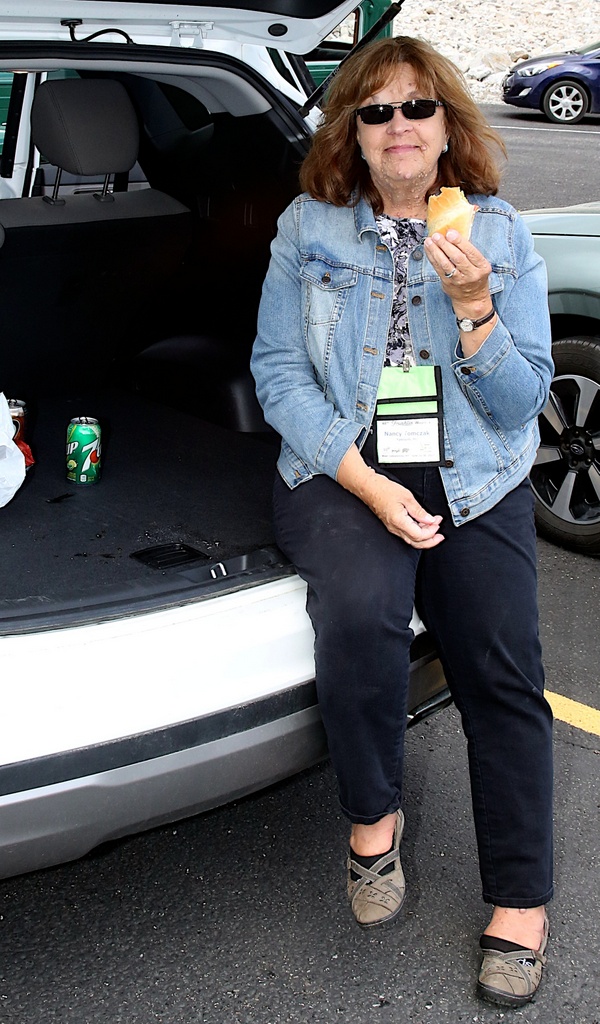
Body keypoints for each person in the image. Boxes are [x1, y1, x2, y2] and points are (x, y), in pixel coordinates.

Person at [250, 35, 554, 1008]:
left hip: (474, 470)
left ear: (448, 124)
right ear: (352, 132)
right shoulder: (309, 228)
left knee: (502, 669)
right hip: (342, 461)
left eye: (417, 106)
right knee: (362, 612)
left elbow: (522, 401)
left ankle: (521, 900)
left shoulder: (498, 233)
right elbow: (278, 372)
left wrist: (476, 311)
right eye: (374, 111)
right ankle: (373, 820)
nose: (398, 126)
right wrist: (370, 485)